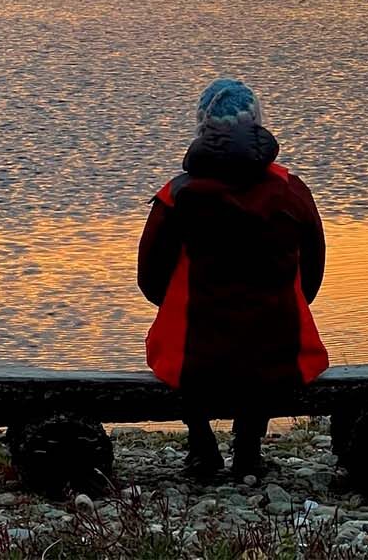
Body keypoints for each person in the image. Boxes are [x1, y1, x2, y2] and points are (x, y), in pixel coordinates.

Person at [137, 78, 329, 479]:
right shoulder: (291, 192)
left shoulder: (177, 196)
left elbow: (149, 280)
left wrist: (183, 303)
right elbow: (312, 275)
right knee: (259, 337)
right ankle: (248, 450)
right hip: (279, 350)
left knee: (185, 341)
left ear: (201, 130)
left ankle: (202, 445)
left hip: (196, 357)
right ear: (258, 124)